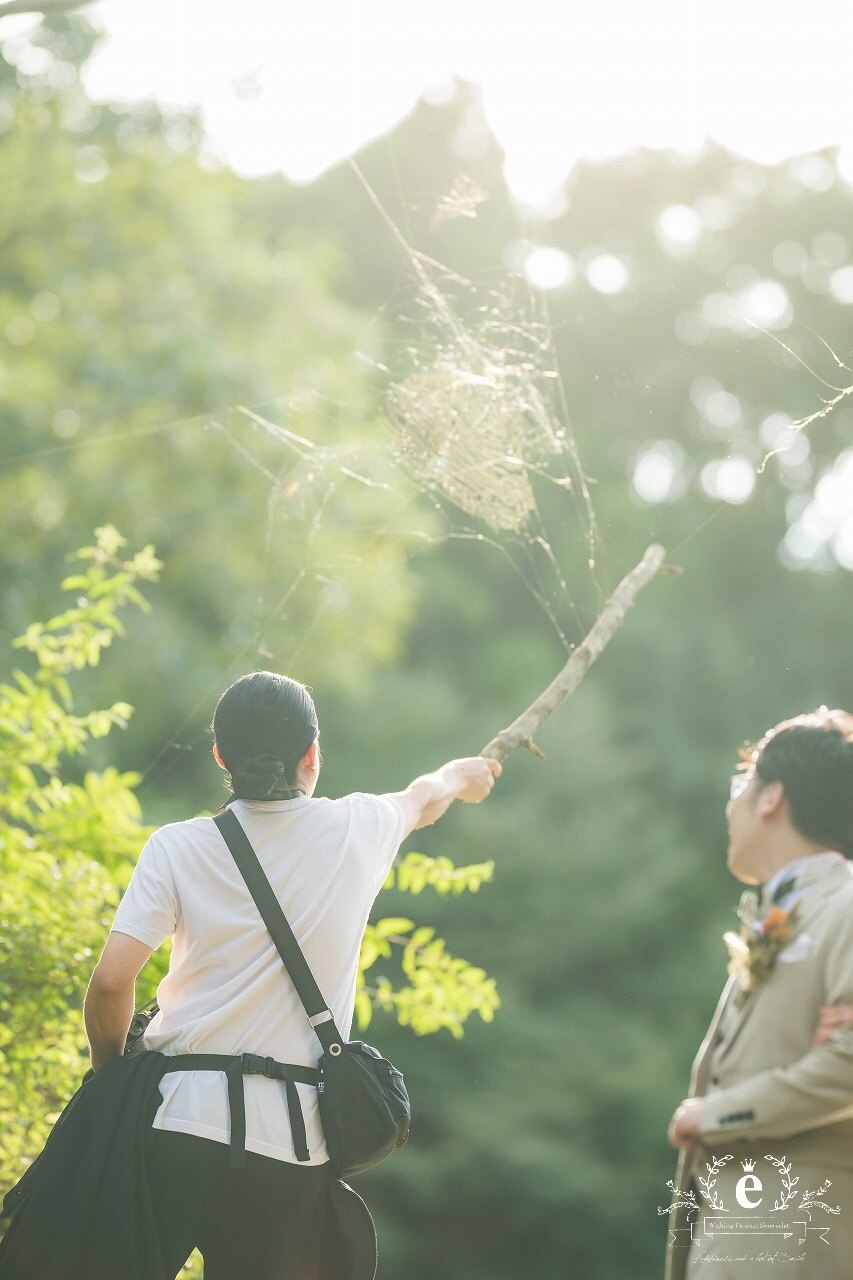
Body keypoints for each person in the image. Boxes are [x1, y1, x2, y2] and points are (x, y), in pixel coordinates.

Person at [0, 670, 500, 1280]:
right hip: (288, 1141)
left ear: (220, 756)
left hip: (172, 1120)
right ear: (312, 754)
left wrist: (115, 1086)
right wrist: (464, 775)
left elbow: (109, 986)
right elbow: (426, 796)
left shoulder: (176, 846)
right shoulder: (357, 829)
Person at [665, 708, 853, 1280]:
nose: (731, 807)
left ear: (771, 797)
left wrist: (716, 1115)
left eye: (738, 787)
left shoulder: (845, 905)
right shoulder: (787, 909)